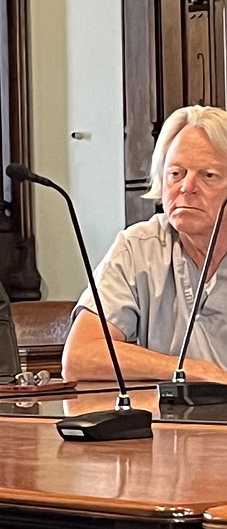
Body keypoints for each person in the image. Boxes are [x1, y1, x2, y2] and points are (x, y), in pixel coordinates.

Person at [63, 104, 227, 382]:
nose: (186, 187)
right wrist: (189, 370)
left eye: (207, 175)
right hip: (171, 422)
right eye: (175, 173)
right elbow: (80, 356)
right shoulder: (139, 246)